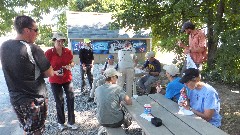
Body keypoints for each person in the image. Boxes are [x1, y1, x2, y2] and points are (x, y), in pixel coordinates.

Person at [0, 15, 54, 135]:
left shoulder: (4, 46)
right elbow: (49, 73)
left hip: (15, 100)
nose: (37, 33)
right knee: (36, 131)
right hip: (34, 100)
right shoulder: (32, 48)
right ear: (26, 30)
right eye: (36, 30)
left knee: (26, 128)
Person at [45, 32, 78, 131]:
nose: (60, 43)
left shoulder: (67, 51)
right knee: (59, 101)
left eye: (62, 41)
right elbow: (45, 66)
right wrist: (54, 72)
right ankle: (61, 122)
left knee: (71, 99)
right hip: (55, 80)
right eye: (58, 41)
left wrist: (70, 65)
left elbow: (72, 62)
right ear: (54, 41)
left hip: (67, 78)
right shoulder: (49, 52)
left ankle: (71, 122)